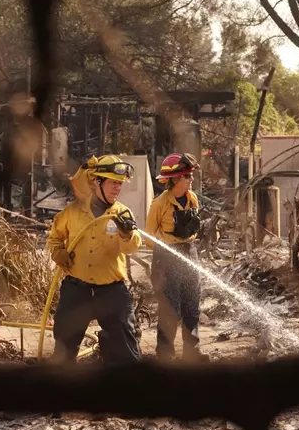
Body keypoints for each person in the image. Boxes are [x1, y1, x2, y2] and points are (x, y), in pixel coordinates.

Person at [46, 154, 143, 364]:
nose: (118, 188)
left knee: (126, 352)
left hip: (111, 290)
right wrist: (57, 252)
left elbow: (132, 247)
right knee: (63, 350)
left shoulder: (123, 214)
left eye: (120, 184)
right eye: (114, 183)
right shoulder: (73, 212)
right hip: (76, 289)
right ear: (97, 182)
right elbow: (54, 237)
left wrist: (127, 233)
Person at [145, 152, 207, 361]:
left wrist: (188, 236)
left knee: (192, 304)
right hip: (166, 257)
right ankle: (165, 354)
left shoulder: (193, 198)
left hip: (189, 252)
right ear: (176, 179)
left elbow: (193, 229)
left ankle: (192, 351)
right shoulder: (159, 204)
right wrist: (168, 246)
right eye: (188, 176)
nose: (192, 180)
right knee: (170, 309)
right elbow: (148, 237)